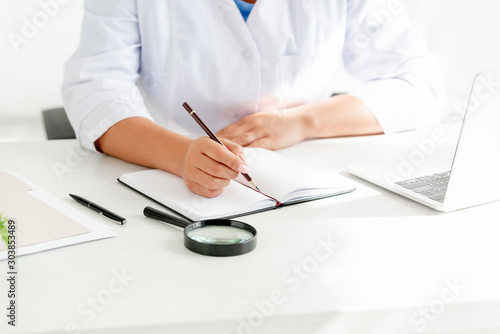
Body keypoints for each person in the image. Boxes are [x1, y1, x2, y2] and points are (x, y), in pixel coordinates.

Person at [62, 0, 445, 198]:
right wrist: (179, 155)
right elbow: (95, 89)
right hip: (167, 181)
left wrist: (301, 122)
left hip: (302, 186)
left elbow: (419, 83)